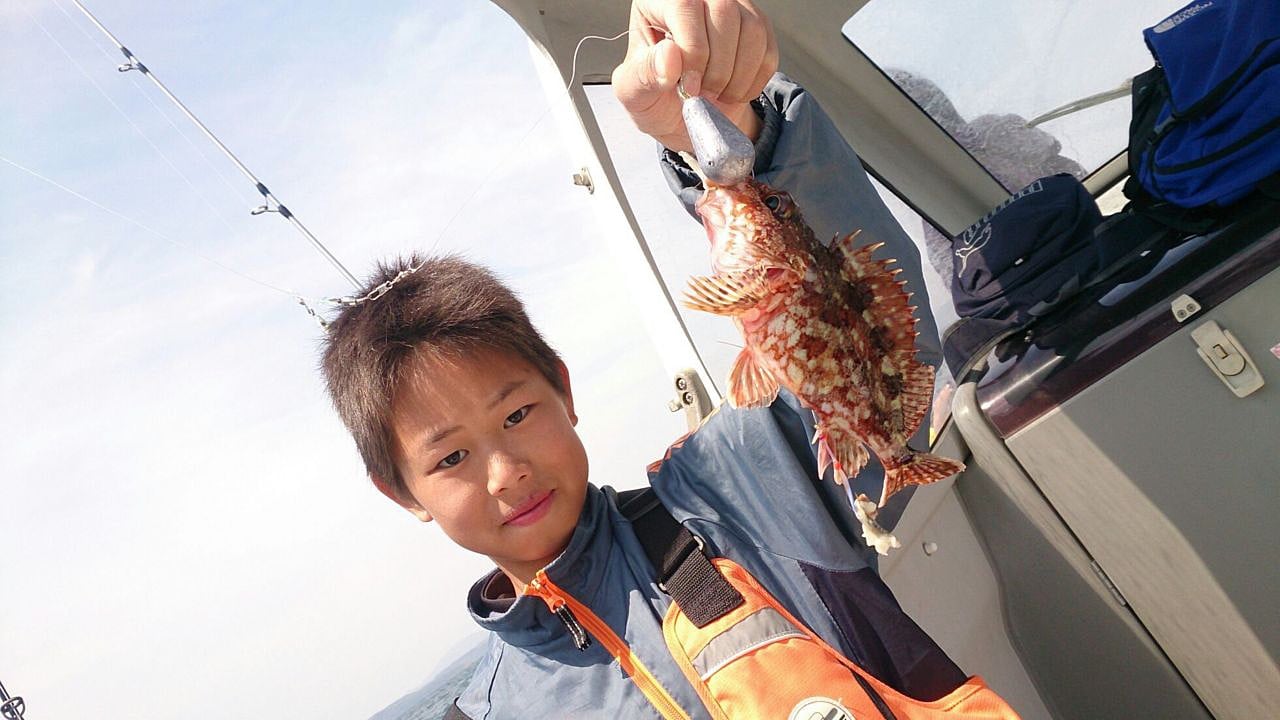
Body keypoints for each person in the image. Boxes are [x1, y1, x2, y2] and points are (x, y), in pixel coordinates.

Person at [321, 1, 1018, 717]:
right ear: (400, 492)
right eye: (449, 460)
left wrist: (724, 133)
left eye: (518, 413)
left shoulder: (737, 491)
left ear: (564, 391)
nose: (506, 472)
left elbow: (882, 356)